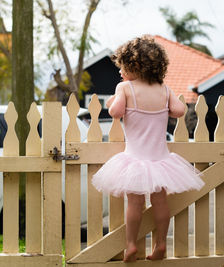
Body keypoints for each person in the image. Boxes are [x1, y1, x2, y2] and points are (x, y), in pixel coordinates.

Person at [91, 35, 205, 262]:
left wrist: (113, 99)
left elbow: (115, 113)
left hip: (135, 160)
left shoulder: (125, 88)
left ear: (136, 66)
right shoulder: (164, 89)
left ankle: (131, 245)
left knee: (134, 203)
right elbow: (179, 111)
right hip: (160, 160)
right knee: (161, 202)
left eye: (123, 67)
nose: (120, 72)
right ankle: (161, 243)